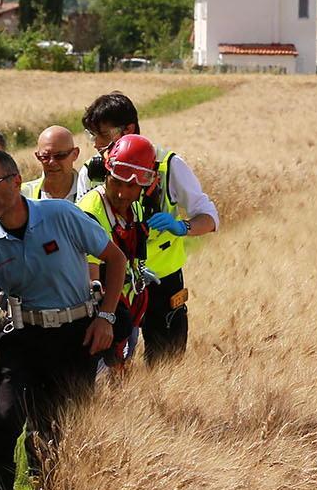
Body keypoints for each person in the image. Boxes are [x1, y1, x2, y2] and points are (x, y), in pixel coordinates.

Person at [0, 148, 126, 490]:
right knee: (2, 427)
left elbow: (115, 258)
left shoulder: (61, 216)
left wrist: (106, 317)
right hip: (22, 340)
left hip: (75, 338)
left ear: (16, 181)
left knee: (56, 435)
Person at [80, 92, 218, 362]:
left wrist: (182, 226)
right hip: (114, 283)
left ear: (128, 129)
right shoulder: (92, 171)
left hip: (163, 280)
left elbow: (210, 217)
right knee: (113, 366)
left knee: (167, 361)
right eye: (92, 135)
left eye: (103, 135)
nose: (96, 143)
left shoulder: (170, 165)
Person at [77, 134, 163, 372]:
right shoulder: (90, 213)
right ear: (105, 174)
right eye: (116, 183)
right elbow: (91, 281)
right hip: (103, 320)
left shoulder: (134, 208)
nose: (122, 193)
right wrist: (105, 319)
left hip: (127, 311)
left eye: (131, 186)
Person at [21, 125, 86, 201]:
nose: (52, 162)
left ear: (75, 154)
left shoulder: (90, 192)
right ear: (37, 156)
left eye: (60, 155)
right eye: (45, 157)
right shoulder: (23, 195)